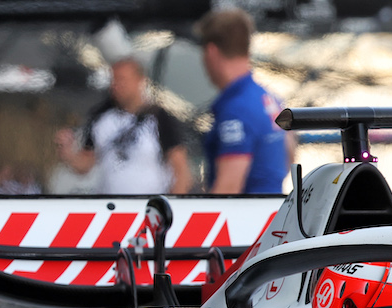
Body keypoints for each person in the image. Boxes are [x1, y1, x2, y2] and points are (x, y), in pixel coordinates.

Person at [54, 56, 191, 195]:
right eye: (114, 80)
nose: (116, 85)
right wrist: (68, 153)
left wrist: (174, 203)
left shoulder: (160, 119)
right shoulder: (100, 118)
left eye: (122, 79)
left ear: (140, 81)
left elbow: (179, 167)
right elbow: (85, 165)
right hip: (112, 206)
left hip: (150, 205)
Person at [196, 8, 292, 194]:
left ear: (211, 52)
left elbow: (229, 188)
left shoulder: (236, 108)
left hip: (245, 221)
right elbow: (289, 156)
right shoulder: (270, 99)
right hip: (273, 213)